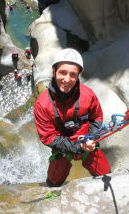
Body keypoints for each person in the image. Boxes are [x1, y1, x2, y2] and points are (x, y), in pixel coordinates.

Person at [34, 48, 110, 187]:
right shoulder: (42, 104)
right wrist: (76, 147)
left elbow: (96, 118)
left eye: (73, 75)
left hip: (87, 144)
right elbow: (48, 137)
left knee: (107, 175)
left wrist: (91, 138)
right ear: (54, 71)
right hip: (62, 149)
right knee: (53, 183)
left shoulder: (88, 95)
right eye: (62, 72)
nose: (67, 79)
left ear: (78, 76)